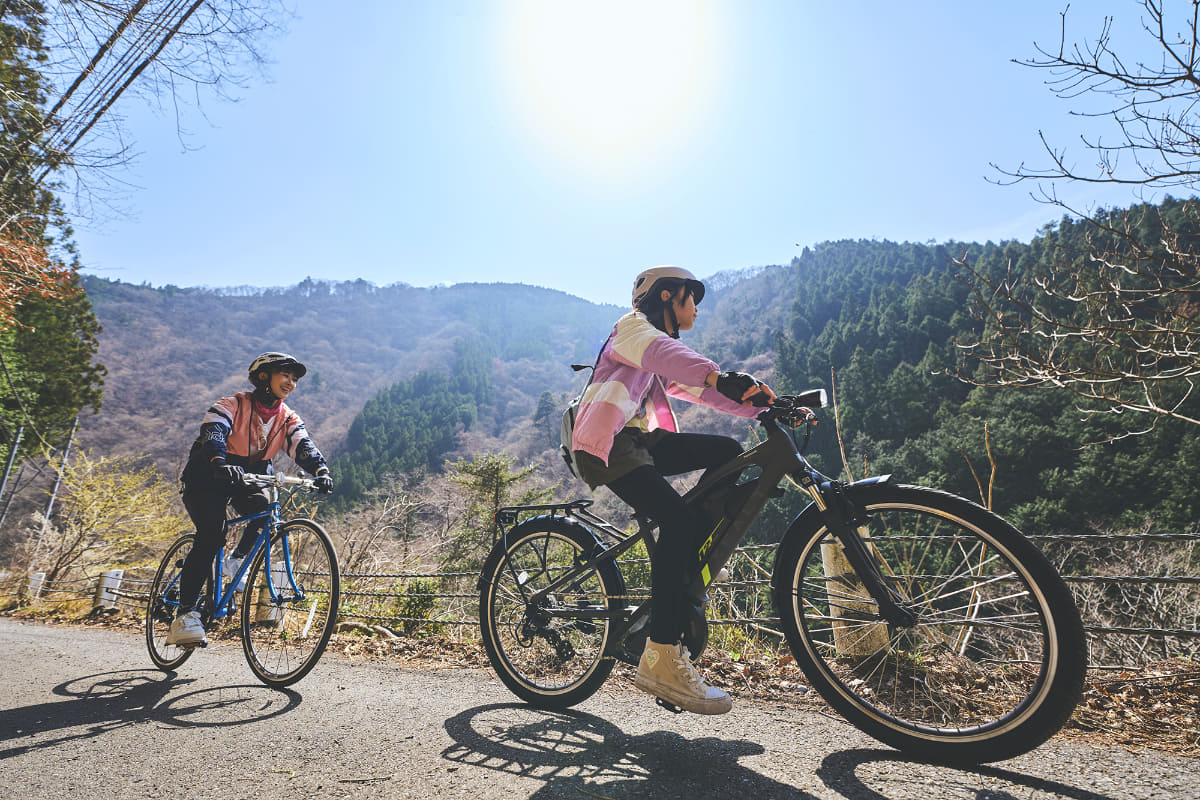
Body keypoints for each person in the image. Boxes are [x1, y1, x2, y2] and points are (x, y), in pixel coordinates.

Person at [570, 266, 775, 715]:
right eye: (691, 298)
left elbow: (700, 390)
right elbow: (671, 357)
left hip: (642, 441)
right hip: (609, 443)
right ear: (667, 296)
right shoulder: (631, 331)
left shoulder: (659, 353)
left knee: (728, 451)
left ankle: (687, 555)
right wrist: (720, 375)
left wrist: (765, 406)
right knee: (676, 519)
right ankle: (661, 655)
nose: (696, 308)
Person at [167, 351, 334, 647]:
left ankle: (236, 560)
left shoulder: (286, 418)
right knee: (212, 536)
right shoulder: (233, 404)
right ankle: (185, 615)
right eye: (285, 375)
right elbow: (214, 431)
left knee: (263, 514)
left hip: (249, 478)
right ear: (262, 376)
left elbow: (302, 444)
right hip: (208, 476)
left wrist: (320, 470)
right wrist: (219, 460)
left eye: (295, 379)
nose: (291, 382)